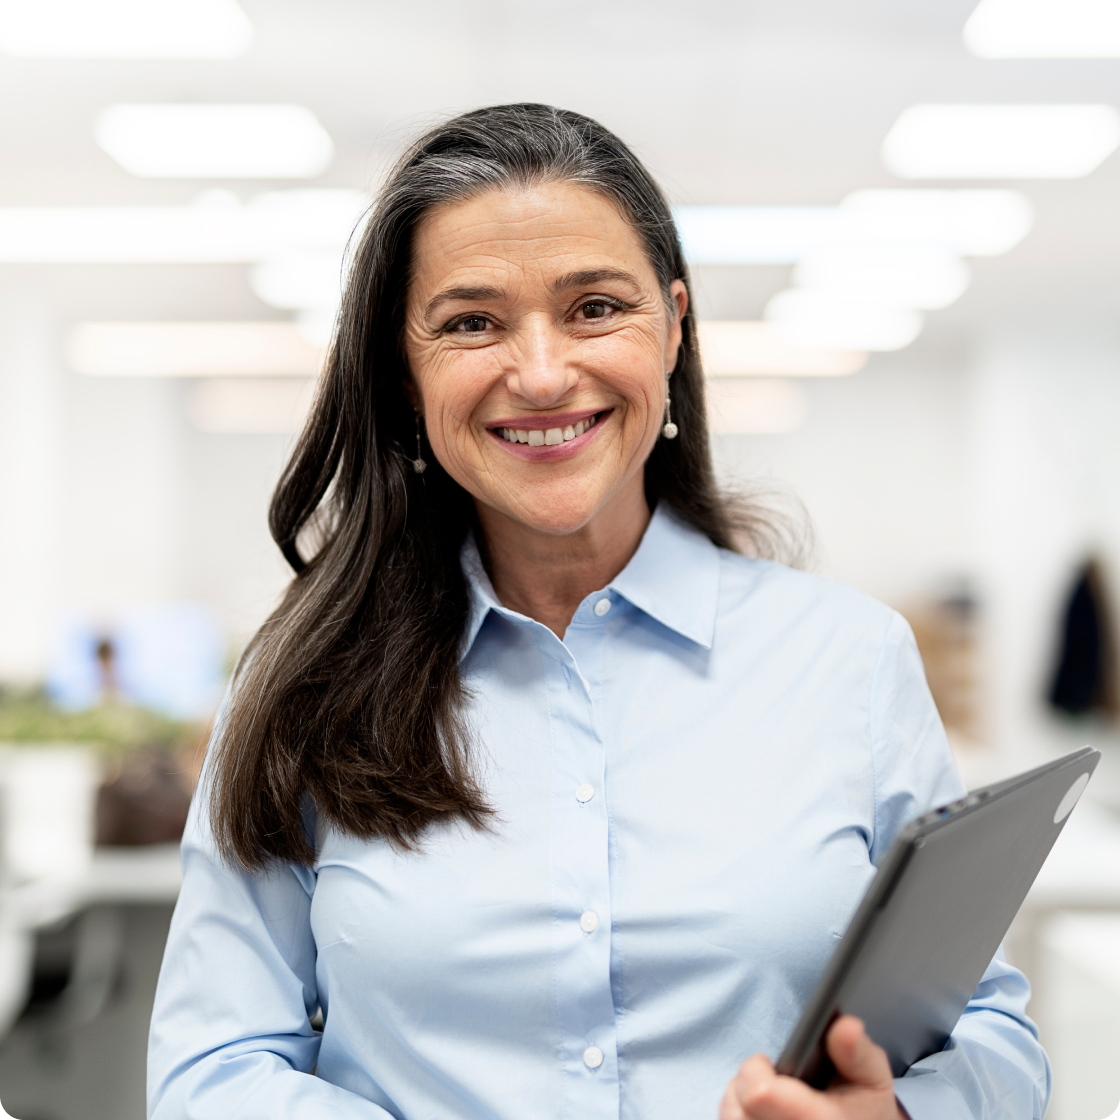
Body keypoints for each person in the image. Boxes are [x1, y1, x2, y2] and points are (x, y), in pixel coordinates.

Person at [147, 104, 1049, 1120]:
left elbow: (990, 1036)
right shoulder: (305, 682)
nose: (540, 374)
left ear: (673, 326)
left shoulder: (849, 658)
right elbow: (211, 1068)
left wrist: (894, 1114)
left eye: (594, 308)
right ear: (404, 369)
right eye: (471, 322)